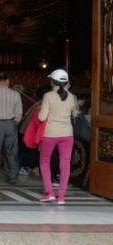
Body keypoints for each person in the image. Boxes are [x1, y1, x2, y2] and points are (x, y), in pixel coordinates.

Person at [37, 69, 80, 204]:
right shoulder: (73, 97)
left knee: (44, 161)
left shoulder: (48, 96)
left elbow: (42, 117)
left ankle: (49, 192)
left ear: (52, 82)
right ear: (66, 82)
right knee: (65, 164)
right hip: (67, 134)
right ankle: (61, 196)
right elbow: (75, 114)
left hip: (50, 133)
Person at [0, 71, 23, 184]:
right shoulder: (15, 94)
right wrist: (14, 123)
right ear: (7, 80)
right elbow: (19, 113)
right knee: (12, 151)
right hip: (11, 124)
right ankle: (12, 176)